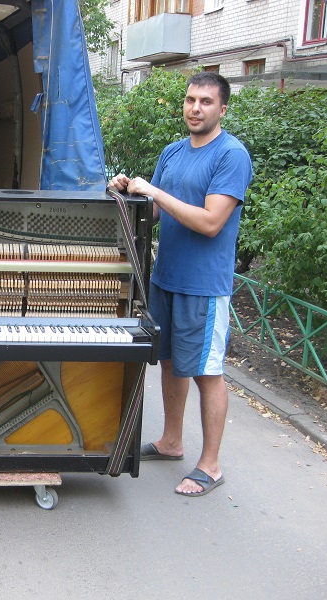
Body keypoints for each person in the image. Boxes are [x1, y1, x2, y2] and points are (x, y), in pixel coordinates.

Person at [108, 72, 253, 497]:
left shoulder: (231, 155)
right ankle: (172, 441)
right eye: (190, 100)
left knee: (207, 372)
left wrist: (154, 191)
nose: (195, 108)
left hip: (203, 287)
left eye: (206, 102)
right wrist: (126, 194)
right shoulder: (173, 152)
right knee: (169, 362)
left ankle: (210, 464)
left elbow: (210, 223)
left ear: (222, 108)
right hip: (166, 278)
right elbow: (152, 215)